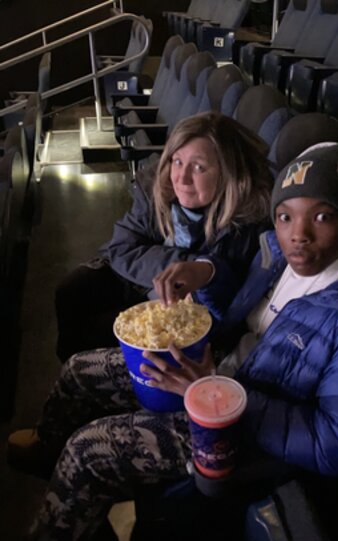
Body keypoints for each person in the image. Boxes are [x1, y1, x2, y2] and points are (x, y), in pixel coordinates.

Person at [3, 142, 338, 541]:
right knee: (82, 370)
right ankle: (46, 447)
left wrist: (218, 393)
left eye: (323, 216)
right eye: (285, 216)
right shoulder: (279, 256)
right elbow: (237, 303)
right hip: (219, 373)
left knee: (89, 452)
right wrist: (203, 273)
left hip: (242, 430)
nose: (298, 235)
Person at [54, 111, 273, 361]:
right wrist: (185, 265)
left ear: (228, 173)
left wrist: (201, 273)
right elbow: (121, 247)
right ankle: (69, 371)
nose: (182, 178)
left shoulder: (249, 219)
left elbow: (233, 297)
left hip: (195, 306)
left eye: (199, 167)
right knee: (71, 290)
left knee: (97, 331)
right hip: (145, 278)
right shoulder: (156, 186)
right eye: (177, 161)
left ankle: (86, 372)